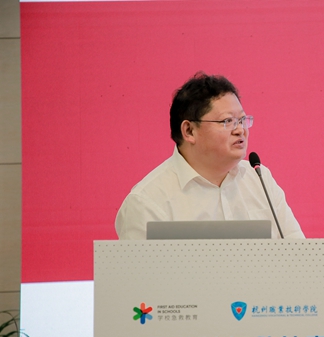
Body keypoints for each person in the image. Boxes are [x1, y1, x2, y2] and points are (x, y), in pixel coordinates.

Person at [115, 72, 304, 240]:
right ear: (189, 131)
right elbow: (142, 270)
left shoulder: (259, 179)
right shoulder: (147, 202)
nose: (240, 130)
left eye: (241, 120)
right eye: (227, 121)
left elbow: (297, 253)